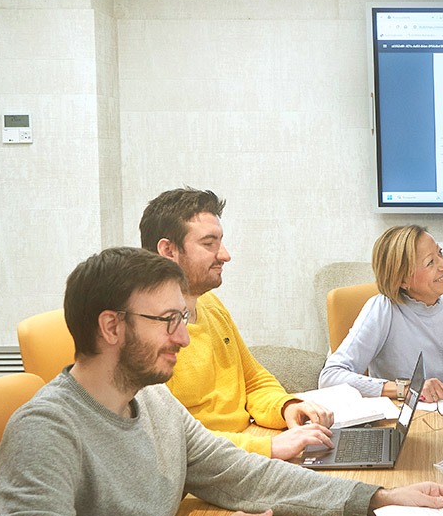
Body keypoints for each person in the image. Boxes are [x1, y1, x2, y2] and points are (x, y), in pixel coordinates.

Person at [0, 247, 443, 516]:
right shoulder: (45, 431)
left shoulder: (153, 401)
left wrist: (376, 500)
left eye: (182, 319)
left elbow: (244, 475)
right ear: (111, 326)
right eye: (167, 321)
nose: (183, 338)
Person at [140, 188, 332, 459]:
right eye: (209, 244)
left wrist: (287, 407)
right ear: (168, 250)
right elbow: (173, 439)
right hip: (208, 462)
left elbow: (253, 380)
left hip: (248, 445)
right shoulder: (144, 333)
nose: (225, 255)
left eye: (220, 242)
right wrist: (268, 448)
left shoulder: (210, 305)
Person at [319, 225, 443, 401]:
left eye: (440, 253)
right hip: (403, 414)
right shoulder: (383, 309)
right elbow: (330, 377)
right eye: (430, 262)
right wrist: (408, 389)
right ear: (402, 279)